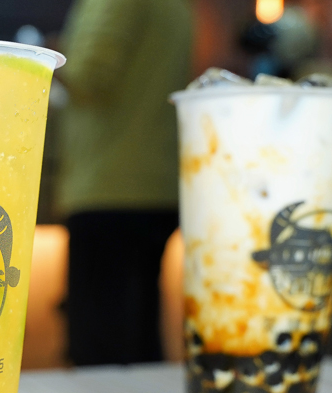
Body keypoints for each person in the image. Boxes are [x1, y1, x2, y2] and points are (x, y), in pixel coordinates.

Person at [56, 0, 193, 366]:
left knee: (99, 343)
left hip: (109, 181)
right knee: (139, 336)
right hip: (158, 181)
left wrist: (42, 57)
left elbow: (89, 79)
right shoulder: (178, 7)